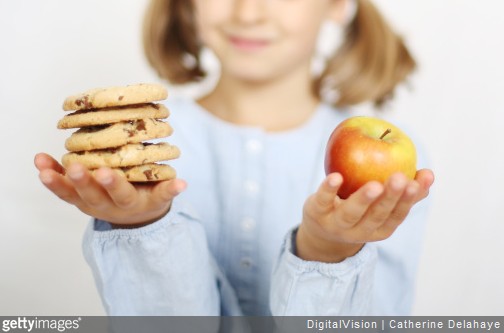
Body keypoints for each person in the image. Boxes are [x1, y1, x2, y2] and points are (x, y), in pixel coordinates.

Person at [35, 0, 434, 316]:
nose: (247, 11)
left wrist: (329, 252)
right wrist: (141, 226)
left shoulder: (393, 169)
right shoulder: (140, 153)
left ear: (337, 3)